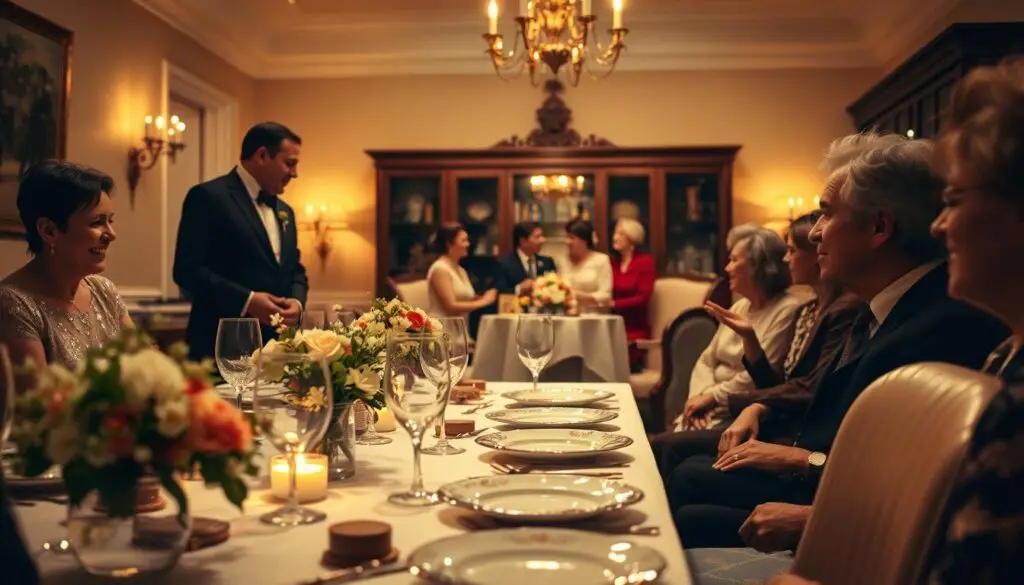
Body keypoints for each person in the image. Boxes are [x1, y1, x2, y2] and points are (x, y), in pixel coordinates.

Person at [668, 132, 1008, 549]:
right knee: (685, 480)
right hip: (822, 481)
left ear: (880, 226)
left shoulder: (942, 323)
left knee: (687, 499)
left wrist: (804, 467)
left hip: (840, 502)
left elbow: (912, 483)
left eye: (826, 215)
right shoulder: (879, 304)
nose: (814, 234)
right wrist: (765, 416)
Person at [652, 213, 861, 480]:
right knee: (667, 448)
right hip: (743, 409)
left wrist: (722, 400)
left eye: (792, 251)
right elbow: (715, 363)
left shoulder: (819, 310)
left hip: (775, 423)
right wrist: (700, 397)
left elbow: (804, 387)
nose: (786, 260)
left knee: (677, 460)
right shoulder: (806, 311)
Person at [173, 122, 309, 360]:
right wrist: (247, 301)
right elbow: (187, 270)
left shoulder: (285, 210)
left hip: (277, 352)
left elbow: (295, 269)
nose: (295, 173)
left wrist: (297, 303)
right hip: (220, 347)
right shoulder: (208, 197)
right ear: (262, 155)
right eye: (289, 163)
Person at [0, 161, 131, 370]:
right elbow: (36, 401)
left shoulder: (104, 291)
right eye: (96, 222)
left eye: (110, 221)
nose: (111, 235)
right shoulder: (14, 305)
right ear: (49, 231)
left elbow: (148, 366)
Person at [673, 225, 801, 432]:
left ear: (758, 266)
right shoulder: (740, 305)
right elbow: (706, 360)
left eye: (734, 260)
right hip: (708, 407)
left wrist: (713, 398)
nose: (727, 268)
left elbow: (758, 377)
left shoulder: (787, 310)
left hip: (739, 412)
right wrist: (699, 398)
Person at [609, 218, 656, 372]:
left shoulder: (645, 262)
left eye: (621, 234)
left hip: (634, 329)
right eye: (615, 233)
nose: (615, 237)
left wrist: (614, 304)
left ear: (632, 238)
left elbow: (643, 298)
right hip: (612, 324)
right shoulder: (612, 263)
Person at [426, 222, 498, 318]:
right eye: (464, 241)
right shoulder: (440, 269)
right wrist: (483, 302)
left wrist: (485, 296)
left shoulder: (461, 270)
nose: (468, 244)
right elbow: (451, 307)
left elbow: (466, 299)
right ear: (449, 244)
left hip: (461, 326)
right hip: (443, 327)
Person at [561, 218, 612, 311]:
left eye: (571, 238)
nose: (567, 241)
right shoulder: (564, 261)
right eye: (567, 237)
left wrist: (579, 296)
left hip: (594, 318)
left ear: (584, 241)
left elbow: (606, 296)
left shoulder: (601, 260)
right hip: (568, 318)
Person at [497, 221, 556, 295]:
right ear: (523, 240)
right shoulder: (504, 263)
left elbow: (556, 287)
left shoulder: (548, 262)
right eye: (538, 237)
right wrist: (519, 288)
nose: (543, 240)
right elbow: (499, 292)